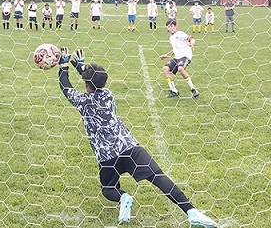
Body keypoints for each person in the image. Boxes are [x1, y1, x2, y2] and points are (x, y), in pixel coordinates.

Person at [57, 47, 218, 227]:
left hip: (107, 155)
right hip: (129, 146)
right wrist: (82, 68)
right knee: (158, 176)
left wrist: (64, 65)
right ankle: (192, 212)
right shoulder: (108, 95)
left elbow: (66, 87)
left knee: (108, 188)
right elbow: (94, 84)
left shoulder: (83, 102)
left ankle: (124, 198)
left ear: (87, 84)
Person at [159, 19, 199, 98]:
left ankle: (193, 89)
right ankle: (174, 91)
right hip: (177, 57)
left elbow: (191, 38)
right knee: (165, 69)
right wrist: (166, 55)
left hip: (185, 56)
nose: (170, 28)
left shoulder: (180, 34)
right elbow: (175, 49)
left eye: (171, 26)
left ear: (176, 26)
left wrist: (192, 44)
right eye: (168, 27)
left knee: (180, 69)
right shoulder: (171, 38)